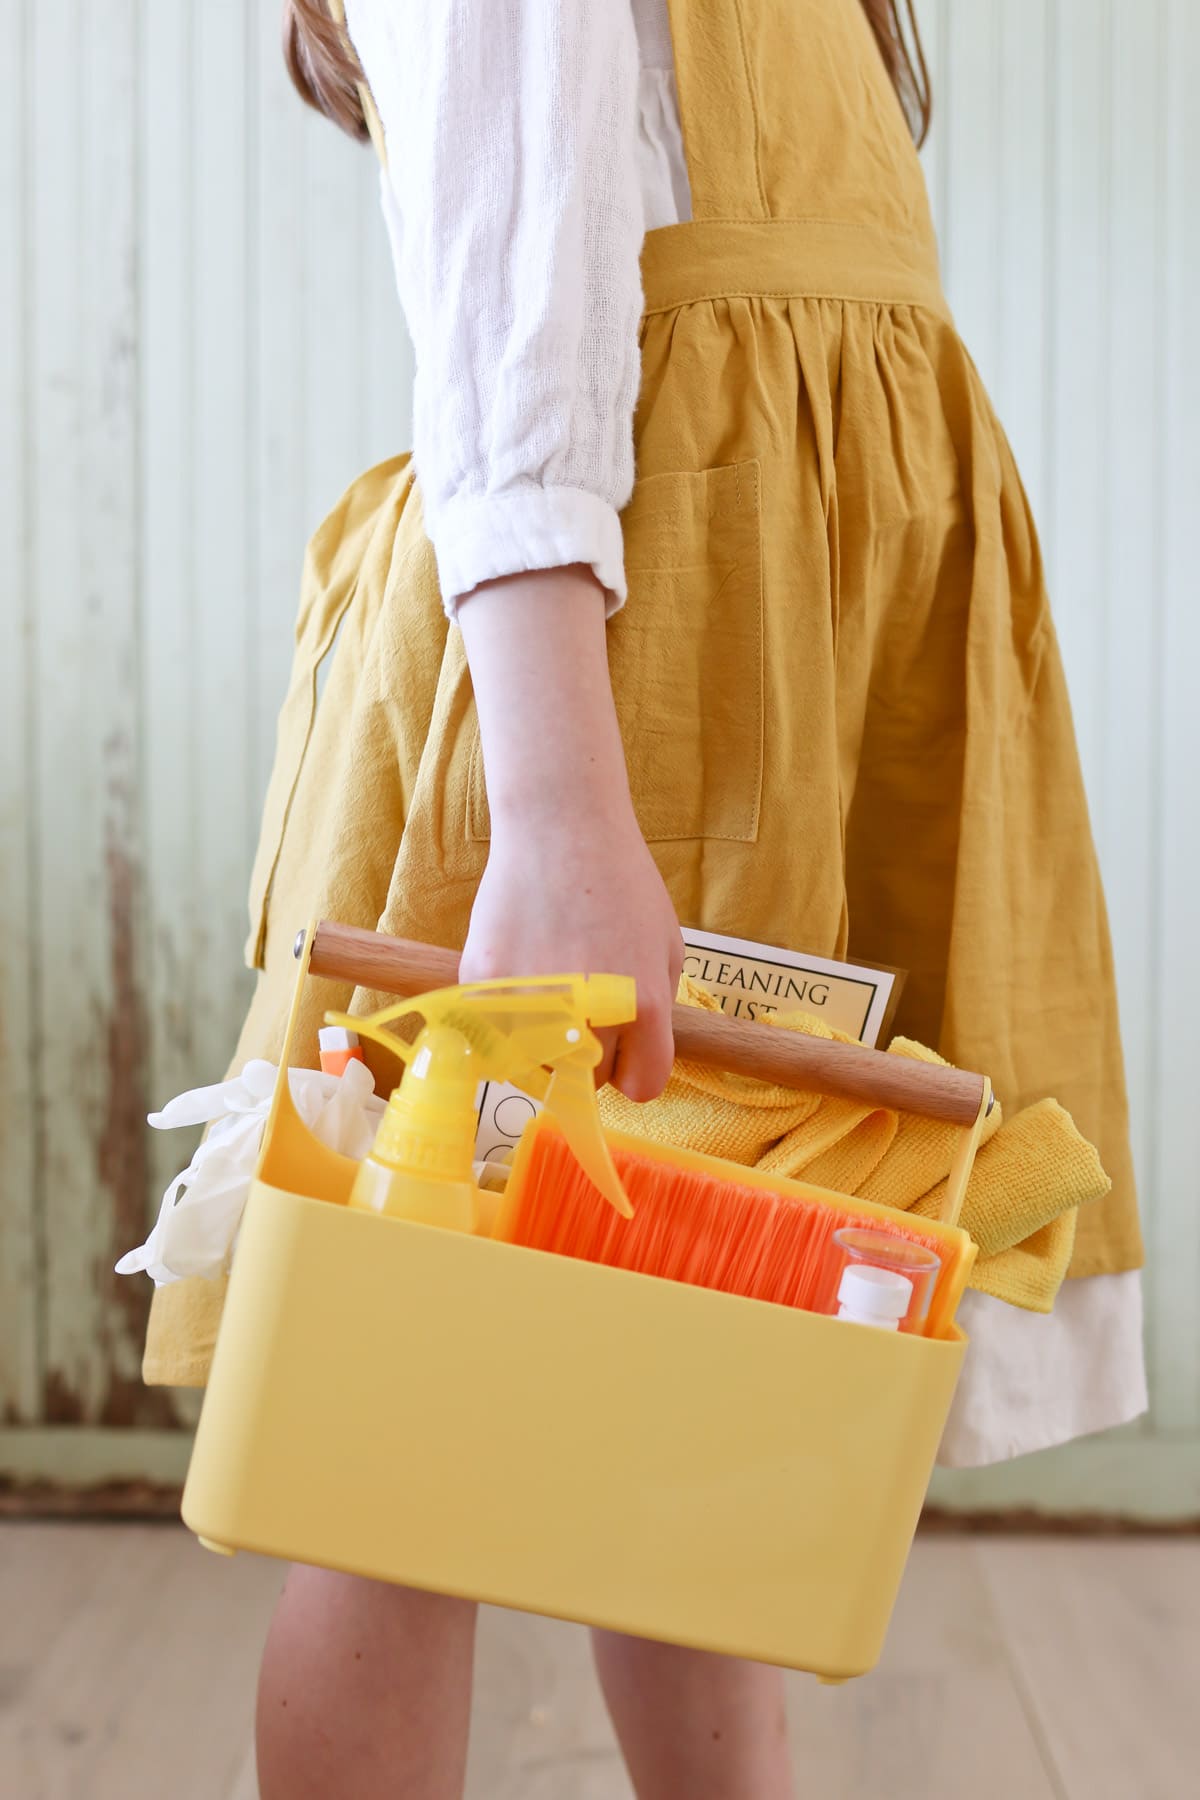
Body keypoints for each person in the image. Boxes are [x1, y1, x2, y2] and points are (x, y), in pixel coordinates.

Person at [144, 2, 1147, 1794]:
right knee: (407, 1433)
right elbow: (509, 319)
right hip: (601, 690)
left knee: (704, 1354)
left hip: (769, 671)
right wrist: (553, 806)